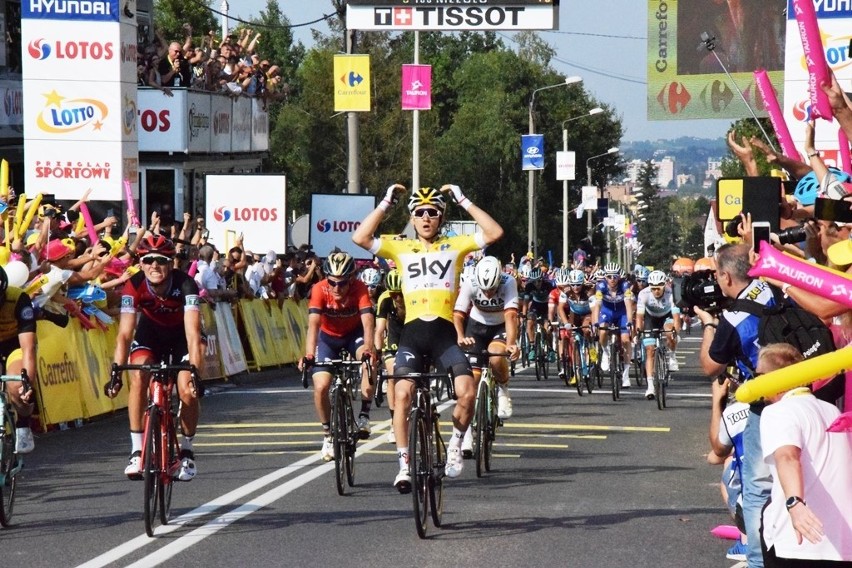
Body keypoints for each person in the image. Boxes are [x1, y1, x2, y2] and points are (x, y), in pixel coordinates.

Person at [352, 184, 503, 492]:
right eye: (419, 212)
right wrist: (386, 202)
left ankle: (456, 444)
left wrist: (462, 198)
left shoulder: (455, 245)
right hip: (413, 334)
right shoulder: (400, 246)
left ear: (441, 217)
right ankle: (404, 465)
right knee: (402, 396)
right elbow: (360, 237)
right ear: (412, 217)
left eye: (432, 212)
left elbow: (494, 232)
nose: (425, 217)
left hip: (445, 335)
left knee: (467, 392)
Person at [695, 242, 779, 568]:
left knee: (750, 482)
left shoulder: (732, 316)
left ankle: (755, 556)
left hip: (760, 400)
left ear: (727, 277)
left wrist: (709, 324)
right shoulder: (772, 288)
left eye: (717, 275)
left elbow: (710, 366)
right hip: (803, 388)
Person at [108, 235, 205, 481]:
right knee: (139, 376)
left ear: (171, 263)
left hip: (182, 336)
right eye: (148, 260)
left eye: (161, 261)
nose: (154, 266)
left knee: (187, 391)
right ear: (140, 263)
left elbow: (193, 335)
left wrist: (195, 372)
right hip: (150, 335)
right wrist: (117, 371)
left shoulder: (186, 285)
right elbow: (124, 335)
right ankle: (136, 450)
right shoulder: (133, 285)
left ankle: (187, 450)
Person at [756, 343, 852, 566]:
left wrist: (794, 503)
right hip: (839, 540)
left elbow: (787, 456)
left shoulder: (777, 412)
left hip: (796, 540)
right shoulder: (830, 410)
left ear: (774, 378)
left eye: (757, 375)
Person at [298, 251, 375, 461]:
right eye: (332, 282)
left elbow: (368, 322)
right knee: (321, 386)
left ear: (351, 279)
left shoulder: (360, 288)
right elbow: (313, 325)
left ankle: (364, 415)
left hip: (354, 336)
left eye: (342, 283)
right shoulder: (319, 289)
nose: (336, 288)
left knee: (369, 362)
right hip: (328, 339)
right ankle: (327, 435)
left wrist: (369, 349)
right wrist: (308, 354)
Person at [453, 255, 520, 456]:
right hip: (476, 326)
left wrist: (511, 344)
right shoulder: (470, 282)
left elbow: (511, 316)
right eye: (485, 290)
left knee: (497, 356)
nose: (489, 294)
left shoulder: (509, 282)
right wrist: (460, 336)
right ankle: (466, 435)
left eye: (492, 289)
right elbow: (458, 314)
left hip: (500, 325)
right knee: (469, 384)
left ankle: (503, 389)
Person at [0, 266, 38, 454]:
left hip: (15, 344)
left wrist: (27, 385)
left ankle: (23, 424)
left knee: (16, 383)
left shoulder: (18, 299)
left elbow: (28, 348)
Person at [635, 269, 681, 400]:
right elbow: (639, 317)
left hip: (667, 317)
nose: (656, 291)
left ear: (664, 285)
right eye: (653, 288)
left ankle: (672, 356)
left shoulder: (671, 293)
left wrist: (675, 334)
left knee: (669, 332)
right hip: (651, 318)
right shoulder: (643, 294)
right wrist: (638, 331)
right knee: (649, 350)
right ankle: (650, 386)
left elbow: (676, 317)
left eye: (659, 288)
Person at [591, 263, 635, 389]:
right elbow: (597, 306)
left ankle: (626, 375)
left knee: (626, 340)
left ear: (619, 277)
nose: (612, 279)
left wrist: (630, 321)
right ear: (605, 277)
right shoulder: (600, 286)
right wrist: (595, 323)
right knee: (603, 331)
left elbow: (628, 304)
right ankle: (605, 352)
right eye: (609, 277)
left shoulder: (625, 285)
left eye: (615, 277)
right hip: (607, 312)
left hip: (621, 313)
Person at [374, 269, 405, 444]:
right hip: (394, 335)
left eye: (399, 294)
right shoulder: (385, 298)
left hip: (413, 332)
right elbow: (379, 330)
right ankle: (394, 422)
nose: (397, 298)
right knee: (393, 373)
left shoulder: (413, 295)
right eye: (393, 294)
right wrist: (378, 352)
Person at [557, 268, 594, 385]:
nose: (575, 287)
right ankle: (577, 372)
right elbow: (560, 308)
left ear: (582, 283)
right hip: (575, 314)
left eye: (578, 284)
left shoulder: (589, 291)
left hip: (588, 313)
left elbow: (595, 310)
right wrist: (566, 322)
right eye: (573, 284)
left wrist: (593, 323)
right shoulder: (566, 290)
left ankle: (591, 349)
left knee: (585, 329)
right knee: (574, 341)